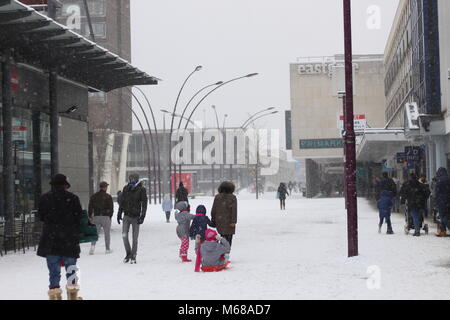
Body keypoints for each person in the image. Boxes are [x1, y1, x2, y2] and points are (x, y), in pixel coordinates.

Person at [37, 174, 83, 300]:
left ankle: (55, 296)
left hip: (51, 242)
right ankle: (73, 295)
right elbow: (79, 217)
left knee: (53, 272)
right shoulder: (73, 198)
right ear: (65, 185)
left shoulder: (45, 198)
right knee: (71, 270)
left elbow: (41, 216)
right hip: (69, 241)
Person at [117, 173, 148, 264]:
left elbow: (144, 204)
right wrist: (119, 213)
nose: (131, 180)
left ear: (137, 179)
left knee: (135, 238)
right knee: (124, 236)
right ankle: (128, 253)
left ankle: (134, 255)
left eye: (133, 178)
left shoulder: (141, 190)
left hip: (136, 217)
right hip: (126, 216)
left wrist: (142, 216)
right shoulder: (126, 188)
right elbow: (122, 202)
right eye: (130, 178)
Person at [88, 181, 114, 255]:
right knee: (107, 234)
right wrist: (109, 216)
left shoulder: (94, 196)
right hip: (106, 217)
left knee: (95, 234)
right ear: (105, 187)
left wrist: (90, 216)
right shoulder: (108, 197)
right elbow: (111, 208)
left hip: (96, 216)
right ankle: (107, 249)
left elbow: (90, 207)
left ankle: (92, 247)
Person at [211, 181, 237, 247]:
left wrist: (213, 219)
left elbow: (214, 209)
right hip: (229, 222)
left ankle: (221, 253)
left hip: (220, 221)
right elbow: (234, 210)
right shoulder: (233, 197)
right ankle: (225, 254)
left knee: (222, 237)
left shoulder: (217, 197)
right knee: (228, 240)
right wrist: (233, 221)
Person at [434, 168, 450, 237]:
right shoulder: (448, 178)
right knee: (447, 215)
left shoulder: (439, 180)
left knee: (443, 216)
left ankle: (443, 231)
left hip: (442, 201)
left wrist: (436, 201)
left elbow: (437, 192)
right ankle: (442, 231)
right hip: (448, 201)